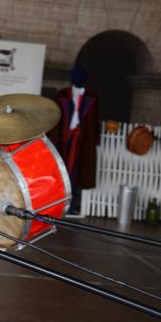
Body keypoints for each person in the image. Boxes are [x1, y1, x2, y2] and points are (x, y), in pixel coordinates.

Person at [49, 65, 99, 214]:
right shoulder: (62, 95)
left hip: (81, 142)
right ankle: (56, 204)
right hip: (63, 140)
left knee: (76, 172)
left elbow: (94, 121)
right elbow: (54, 116)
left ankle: (70, 206)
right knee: (60, 170)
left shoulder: (92, 97)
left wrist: (94, 140)